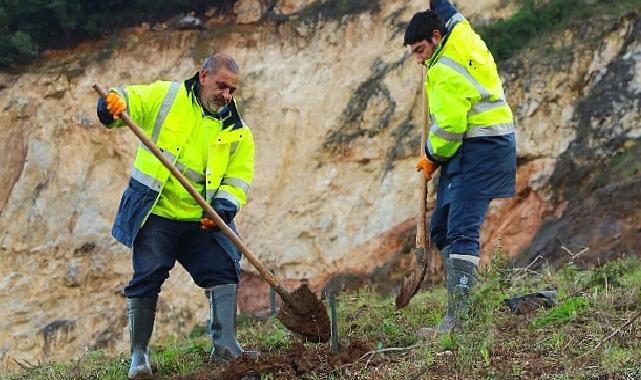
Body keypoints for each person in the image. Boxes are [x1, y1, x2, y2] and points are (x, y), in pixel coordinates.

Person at [96, 52, 256, 379]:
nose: (225, 95)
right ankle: (139, 356)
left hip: (202, 220)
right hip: (157, 213)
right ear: (203, 76)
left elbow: (238, 180)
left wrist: (222, 211)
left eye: (232, 90)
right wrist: (110, 104)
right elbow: (127, 99)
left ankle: (225, 346)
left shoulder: (238, 131)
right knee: (148, 274)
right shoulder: (167, 97)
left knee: (225, 268)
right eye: (221, 86)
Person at [404, 0, 517, 335]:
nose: (419, 59)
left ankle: (460, 319)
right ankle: (472, 300)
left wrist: (430, 158)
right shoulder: (461, 31)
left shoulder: (443, 71)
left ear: (437, 36)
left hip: (482, 147)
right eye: (413, 52)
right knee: (440, 228)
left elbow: (450, 128)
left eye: (421, 49)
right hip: (471, 148)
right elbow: (446, 8)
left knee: (461, 229)